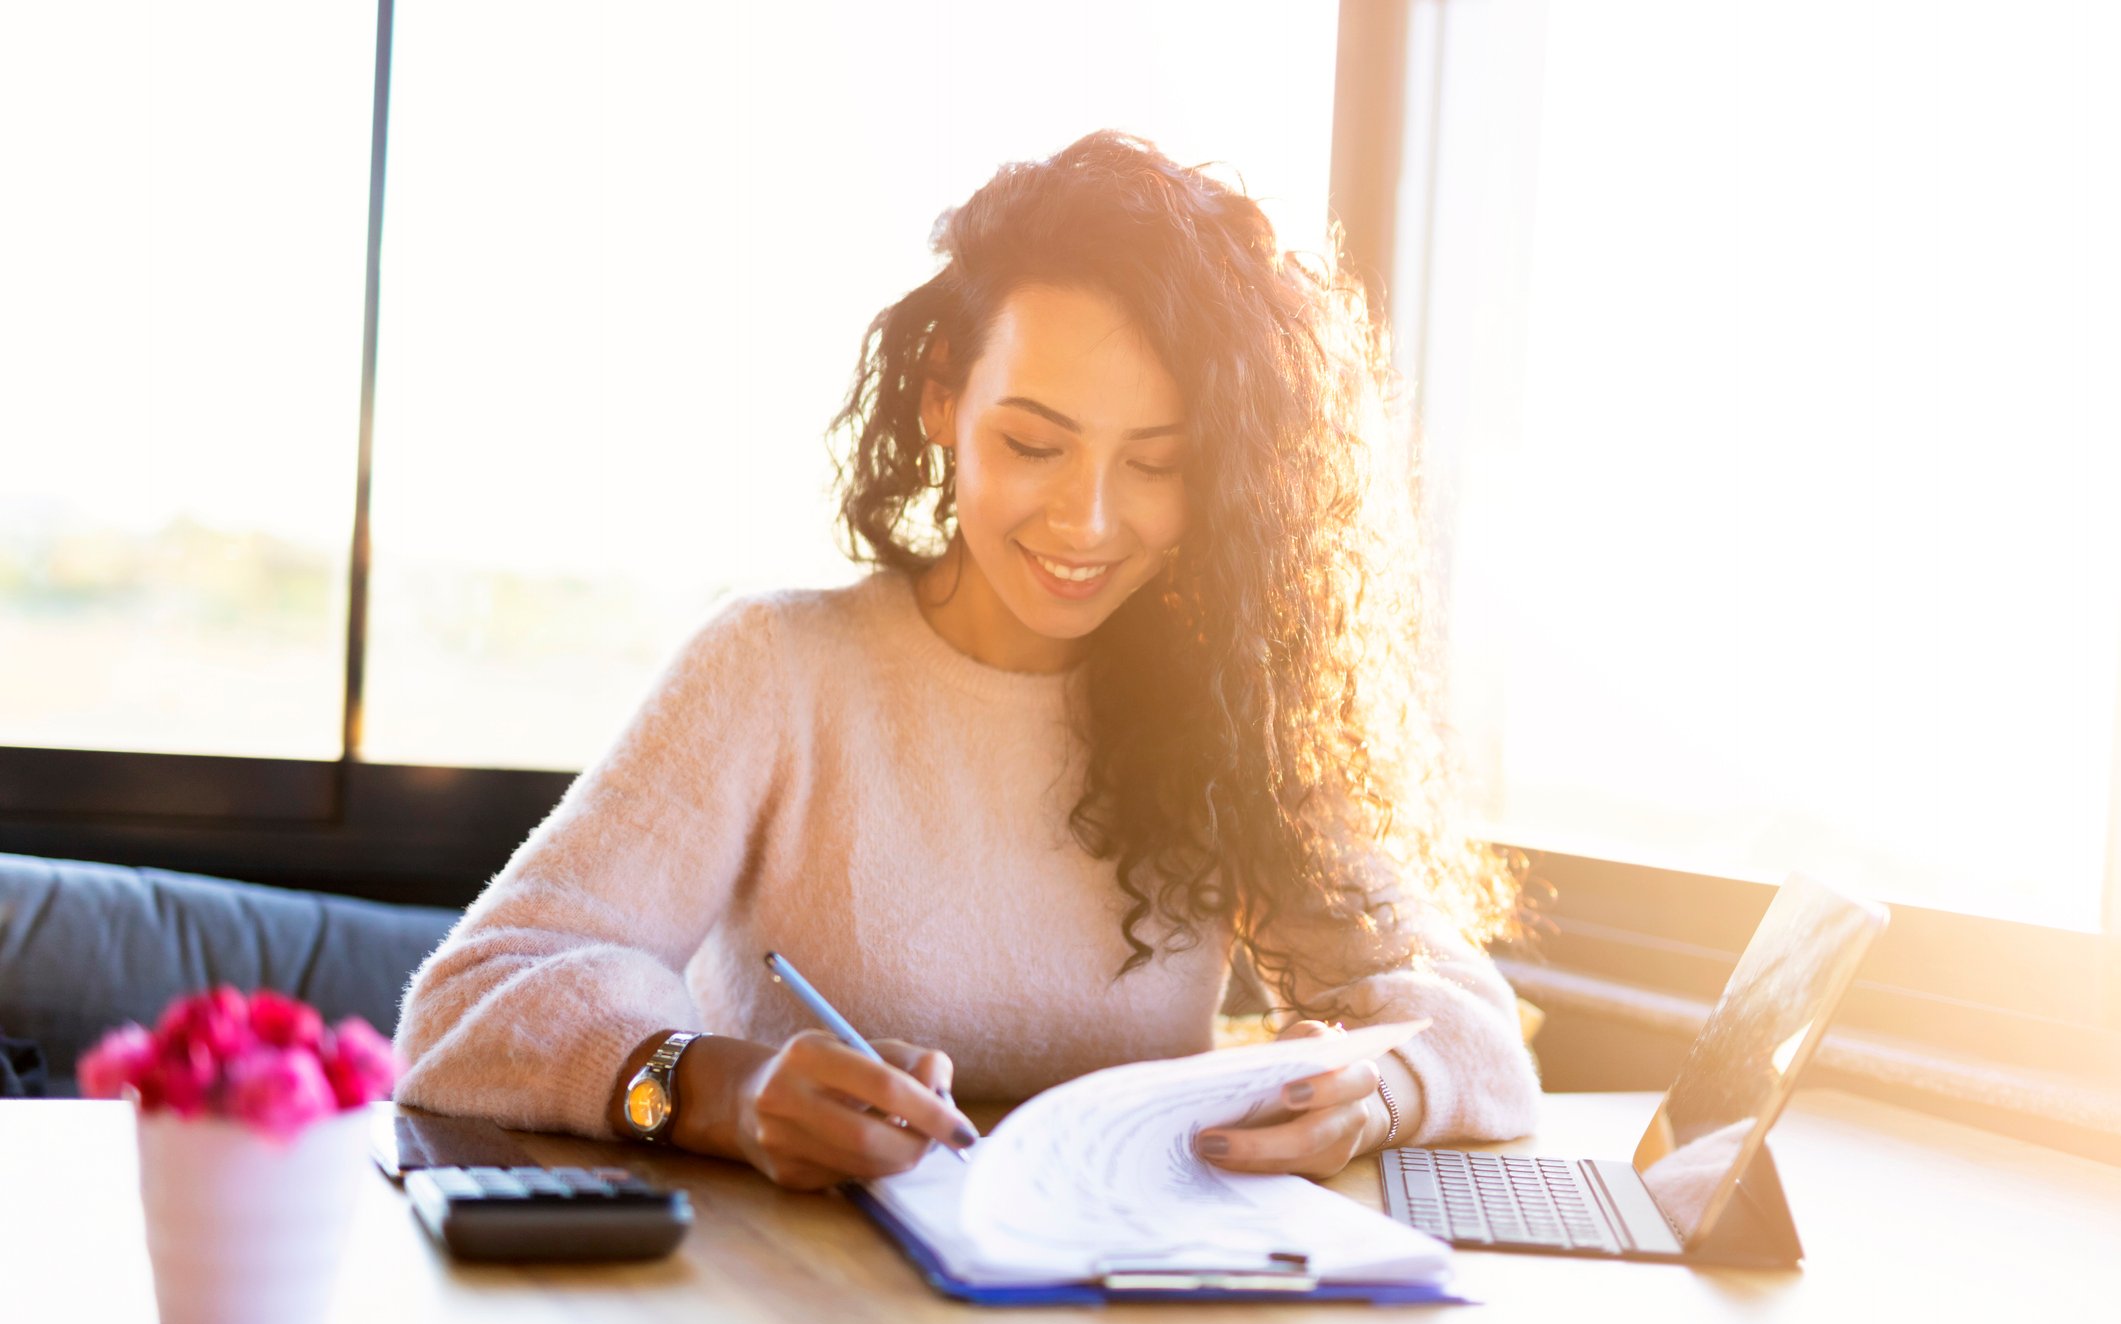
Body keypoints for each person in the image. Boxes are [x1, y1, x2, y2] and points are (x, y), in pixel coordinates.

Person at [394, 130, 1540, 1191]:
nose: (1089, 521)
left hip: (1118, 1315)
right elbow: (467, 1000)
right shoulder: (777, 670)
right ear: (944, 397)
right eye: (1034, 443)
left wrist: (1375, 1093)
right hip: (794, 1314)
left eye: (1157, 463)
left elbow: (1475, 1027)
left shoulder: (1224, 707)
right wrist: (715, 1090)